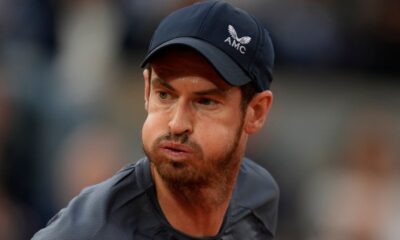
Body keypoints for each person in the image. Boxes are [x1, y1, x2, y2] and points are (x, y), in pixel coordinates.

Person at [32, 1, 279, 239]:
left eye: (205, 101)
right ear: (147, 92)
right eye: (165, 95)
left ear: (256, 112)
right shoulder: (84, 233)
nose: (177, 123)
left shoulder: (258, 196)